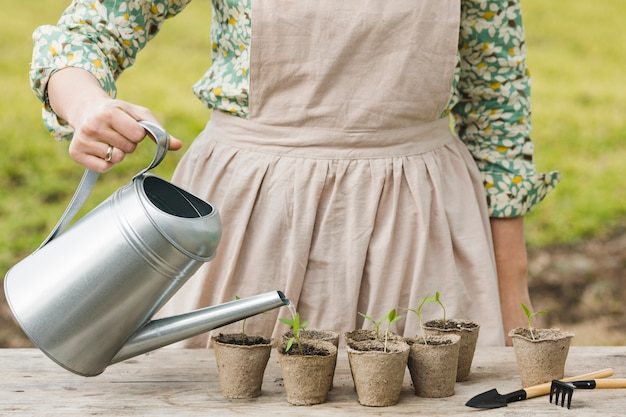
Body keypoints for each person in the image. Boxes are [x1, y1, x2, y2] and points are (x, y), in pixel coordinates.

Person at [30, 0, 558, 346]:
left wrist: (512, 296)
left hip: (417, 223)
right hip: (251, 219)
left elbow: (497, 113)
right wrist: (86, 103)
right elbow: (84, 33)